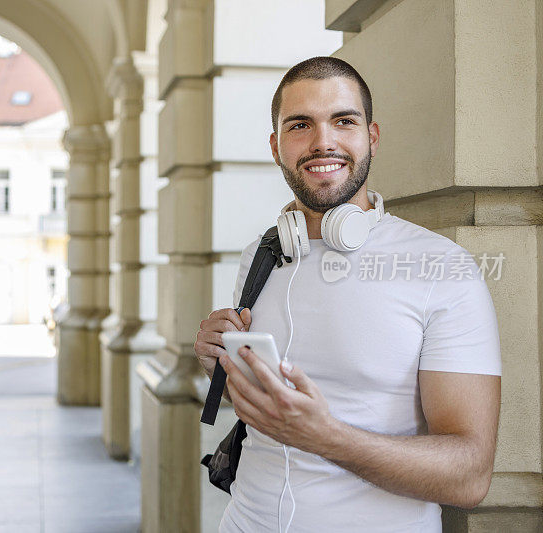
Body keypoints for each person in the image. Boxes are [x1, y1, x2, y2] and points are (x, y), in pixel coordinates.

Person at [193, 56, 502, 532]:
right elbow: (267, 410)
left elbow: (470, 475)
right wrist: (224, 365)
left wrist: (326, 437)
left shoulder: (441, 267)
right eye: (300, 125)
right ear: (276, 147)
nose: (323, 142)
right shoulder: (260, 254)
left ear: (371, 137)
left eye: (343, 121)